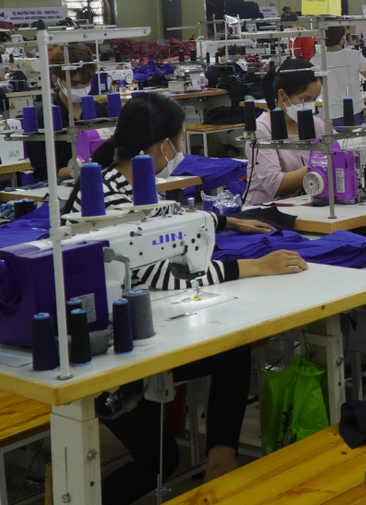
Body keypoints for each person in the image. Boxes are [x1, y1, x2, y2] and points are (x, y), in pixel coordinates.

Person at [62, 93, 307, 502]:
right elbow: (164, 275)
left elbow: (168, 219)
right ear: (164, 146)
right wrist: (254, 266)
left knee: (232, 347)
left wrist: (225, 221)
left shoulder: (122, 182)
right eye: (180, 139)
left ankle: (221, 458)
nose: (181, 148)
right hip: (104, 355)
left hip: (136, 331)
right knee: (160, 461)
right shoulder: (110, 198)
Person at [244, 59, 366, 206]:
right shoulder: (261, 130)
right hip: (265, 214)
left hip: (306, 206)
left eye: (314, 99)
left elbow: (351, 154)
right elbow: (276, 186)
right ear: (282, 95)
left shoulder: (316, 125)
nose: (310, 104)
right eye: (305, 98)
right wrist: (326, 161)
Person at [25, 45, 106, 181]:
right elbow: (42, 174)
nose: (81, 88)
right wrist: (75, 170)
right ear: (56, 79)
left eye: (86, 83)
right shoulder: (43, 119)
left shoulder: (101, 111)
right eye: (74, 84)